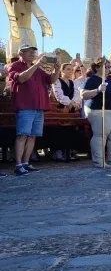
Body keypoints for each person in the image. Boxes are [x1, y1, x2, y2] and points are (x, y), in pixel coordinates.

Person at [8, 45, 60, 175]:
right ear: (21, 54)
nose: (32, 54)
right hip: (25, 106)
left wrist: (57, 70)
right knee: (22, 135)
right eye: (28, 52)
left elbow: (51, 80)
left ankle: (26, 163)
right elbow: (21, 78)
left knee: (32, 136)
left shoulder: (38, 69)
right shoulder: (15, 66)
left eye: (33, 52)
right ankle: (18, 165)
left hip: (39, 107)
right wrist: (36, 65)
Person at [80, 58, 111, 168]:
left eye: (109, 67)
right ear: (97, 67)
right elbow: (83, 95)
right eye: (105, 66)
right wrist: (97, 90)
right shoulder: (92, 80)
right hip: (99, 110)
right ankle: (99, 161)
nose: (108, 69)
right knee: (101, 135)